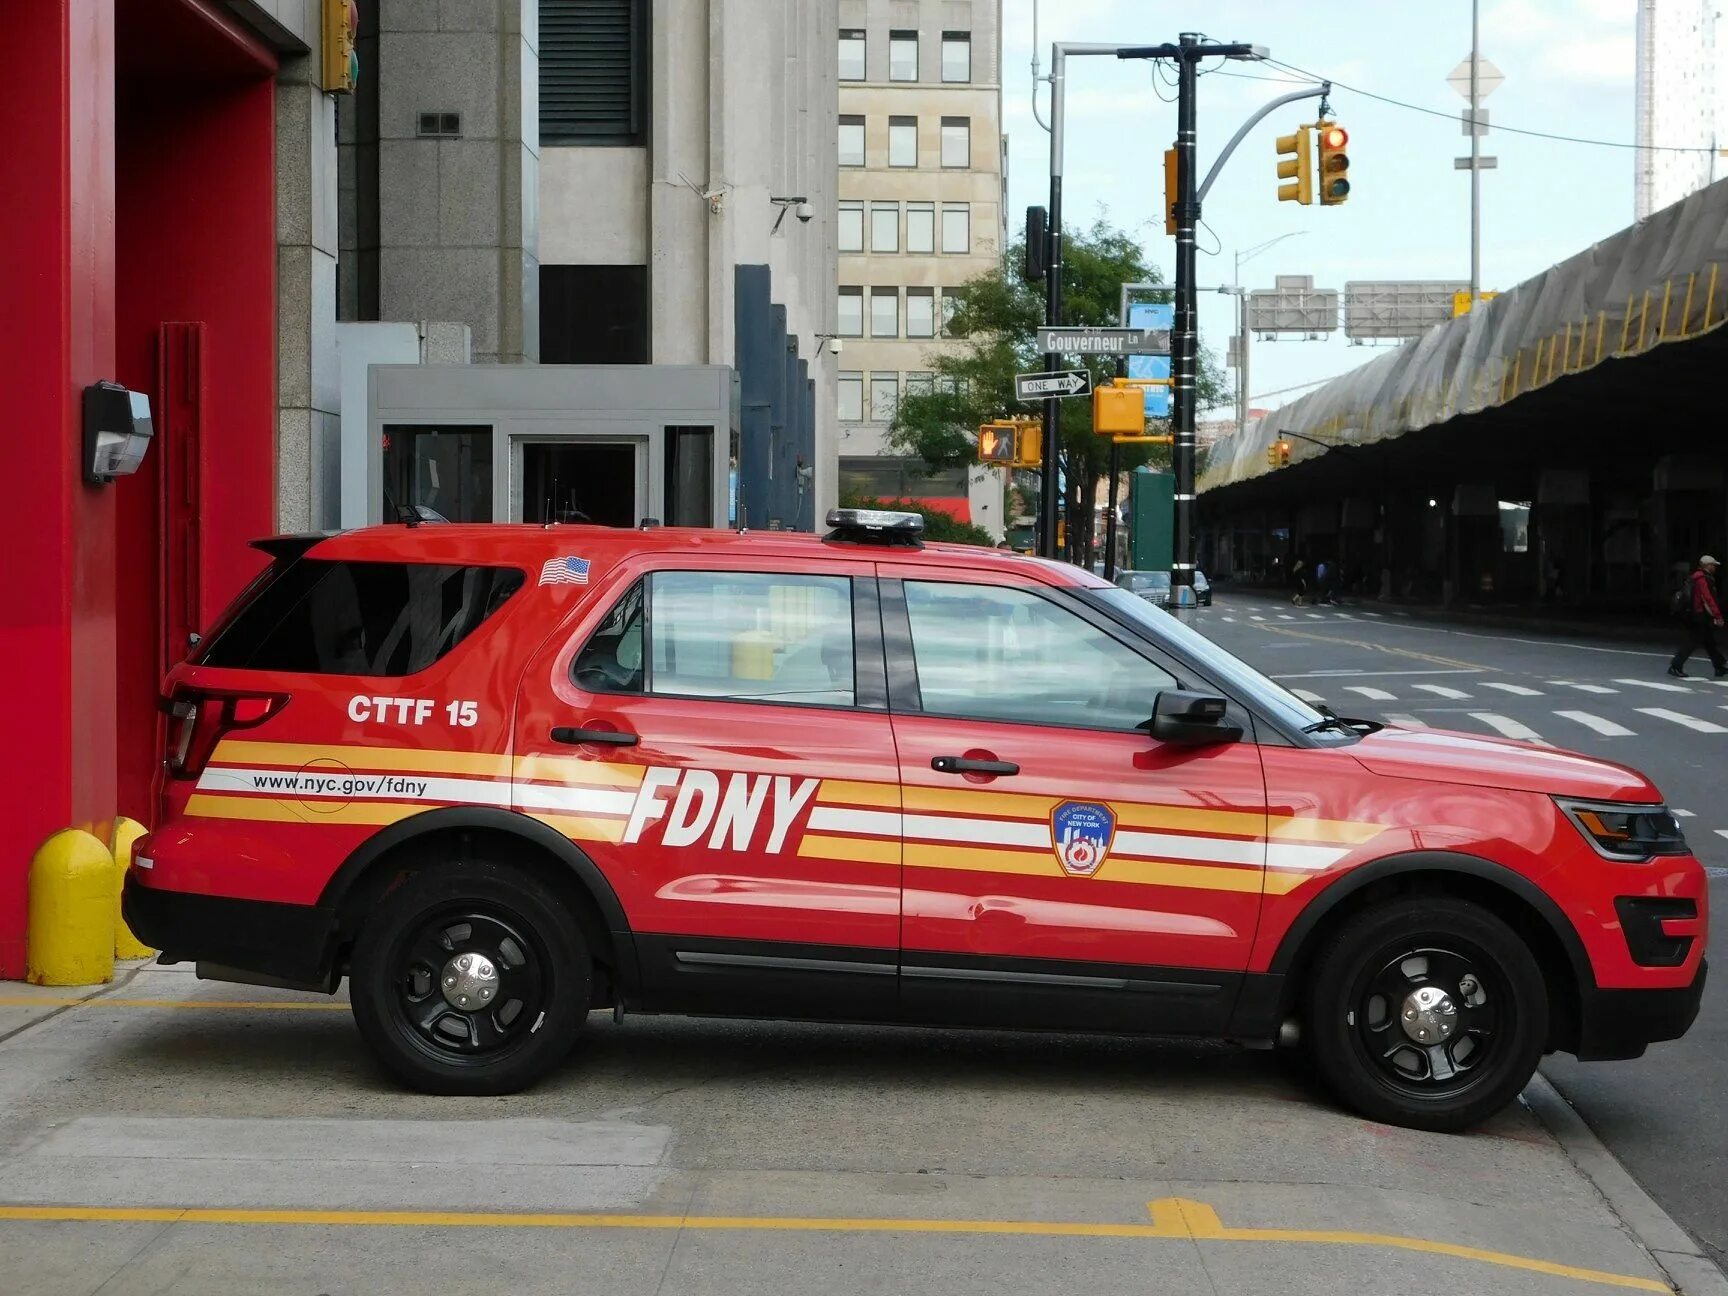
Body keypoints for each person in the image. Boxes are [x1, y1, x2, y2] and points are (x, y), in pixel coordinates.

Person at [1668, 554, 1726, 678]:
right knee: (1692, 641)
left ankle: (1719, 666)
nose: (1715, 567)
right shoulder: (1703, 579)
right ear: (1707, 566)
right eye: (1713, 565)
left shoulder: (1695, 577)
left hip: (1696, 614)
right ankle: (1675, 666)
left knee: (1709, 641)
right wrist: (1718, 616)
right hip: (1700, 615)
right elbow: (1708, 599)